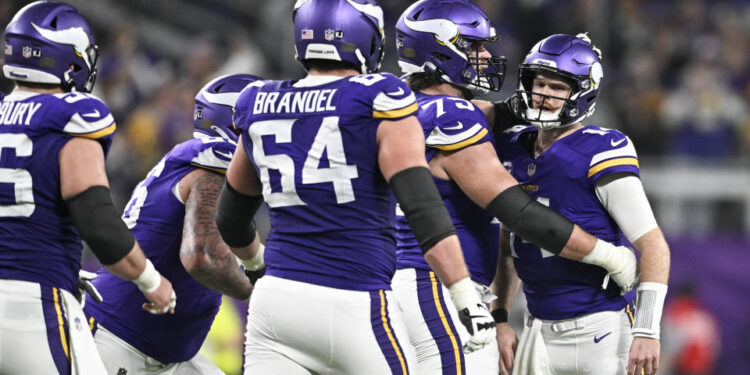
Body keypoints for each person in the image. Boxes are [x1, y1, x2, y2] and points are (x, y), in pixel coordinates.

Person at [215, 0, 498, 373]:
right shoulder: (378, 96)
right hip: (353, 299)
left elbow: (231, 219)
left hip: (276, 303)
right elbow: (422, 208)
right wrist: (464, 295)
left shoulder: (259, 100)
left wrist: (256, 265)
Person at [392, 2, 641, 374]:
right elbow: (517, 212)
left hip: (395, 280)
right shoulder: (454, 116)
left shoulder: (397, 105)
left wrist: (543, 93)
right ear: (440, 51)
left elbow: (495, 112)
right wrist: (607, 255)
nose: (486, 55)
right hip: (437, 285)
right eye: (475, 47)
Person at [0, 2, 176, 374]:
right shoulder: (74, 115)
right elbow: (98, 224)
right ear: (72, 60)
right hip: (34, 304)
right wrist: (150, 280)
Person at [491, 33, 671, 375]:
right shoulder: (512, 146)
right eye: (538, 83)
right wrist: (500, 317)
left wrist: (647, 330)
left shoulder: (602, 148)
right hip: (536, 330)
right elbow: (508, 247)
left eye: (557, 87)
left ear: (582, 91)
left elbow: (654, 247)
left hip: (601, 330)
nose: (543, 95)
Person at [83, 74, 263, 374]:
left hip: (164, 353)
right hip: (122, 341)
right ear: (238, 123)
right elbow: (203, 258)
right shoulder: (214, 166)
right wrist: (259, 288)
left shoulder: (195, 160)